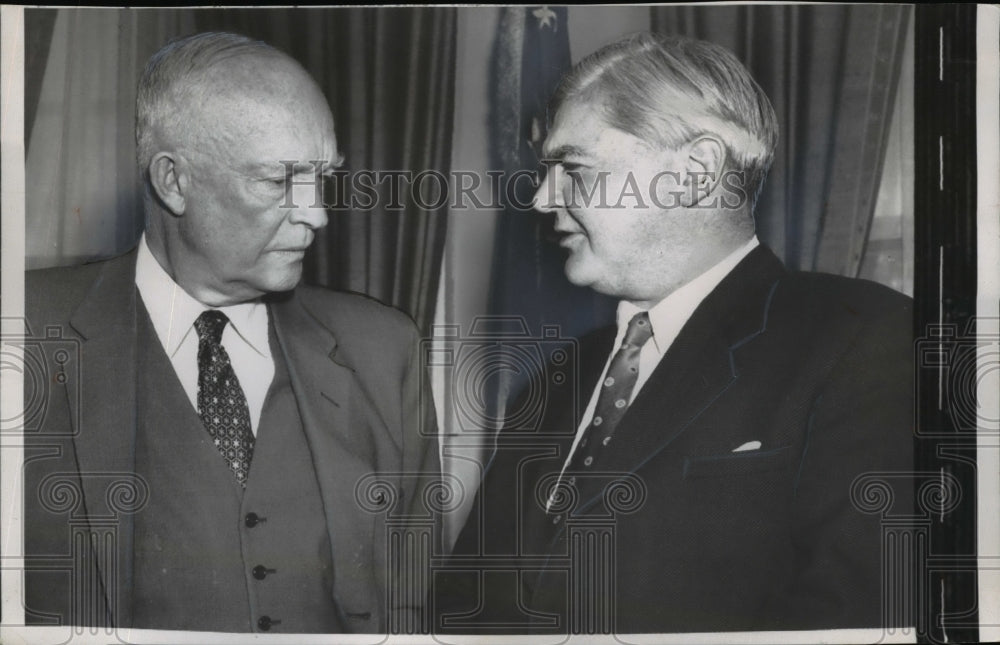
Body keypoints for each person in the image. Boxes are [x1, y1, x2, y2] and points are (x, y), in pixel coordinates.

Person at [438, 33, 912, 634]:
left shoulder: (863, 338)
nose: (541, 197)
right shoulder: (552, 379)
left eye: (573, 168)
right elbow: (463, 603)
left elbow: (860, 616)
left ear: (696, 171)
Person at [23, 32, 439, 634]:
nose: (317, 213)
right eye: (278, 181)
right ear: (173, 181)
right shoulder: (26, 335)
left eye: (323, 178)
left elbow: (411, 605)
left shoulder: (384, 349)